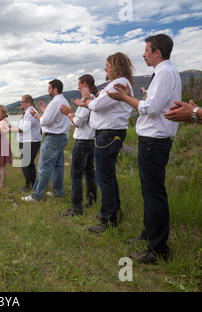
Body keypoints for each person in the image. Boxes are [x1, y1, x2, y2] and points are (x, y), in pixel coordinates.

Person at [107, 34, 182, 264]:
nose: (143, 54)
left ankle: (158, 249)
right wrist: (141, 97)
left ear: (157, 52)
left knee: (154, 194)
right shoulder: (164, 73)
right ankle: (149, 234)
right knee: (149, 192)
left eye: (146, 50)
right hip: (152, 140)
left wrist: (124, 97)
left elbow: (150, 108)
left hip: (154, 142)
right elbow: (156, 104)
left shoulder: (165, 73)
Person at [73, 52, 134, 233]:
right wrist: (90, 101)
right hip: (109, 134)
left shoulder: (117, 84)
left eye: (107, 64)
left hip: (108, 135)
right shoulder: (119, 83)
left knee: (104, 178)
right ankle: (114, 211)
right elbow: (98, 103)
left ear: (115, 65)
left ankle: (108, 220)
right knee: (108, 176)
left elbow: (97, 106)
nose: (105, 68)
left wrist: (88, 101)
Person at [21, 79, 70, 202]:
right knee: (57, 166)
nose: (47, 91)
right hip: (62, 136)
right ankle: (57, 191)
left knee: (44, 166)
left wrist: (35, 115)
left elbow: (44, 121)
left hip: (53, 137)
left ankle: (37, 195)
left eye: (49, 88)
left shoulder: (55, 102)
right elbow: (54, 119)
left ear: (55, 89)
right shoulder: (63, 101)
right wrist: (44, 111)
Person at [59, 74, 98, 216]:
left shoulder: (87, 100)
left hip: (82, 141)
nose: (78, 87)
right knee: (89, 173)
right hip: (91, 140)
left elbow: (78, 122)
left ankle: (76, 208)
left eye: (80, 84)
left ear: (85, 85)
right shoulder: (94, 99)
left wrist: (69, 114)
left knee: (76, 175)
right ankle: (91, 200)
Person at [11, 95, 42, 192]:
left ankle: (28, 186)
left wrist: (8, 130)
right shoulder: (26, 113)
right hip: (26, 141)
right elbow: (19, 126)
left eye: (22, 101)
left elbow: (22, 129)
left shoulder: (30, 113)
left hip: (30, 142)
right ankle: (32, 185)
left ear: (28, 102)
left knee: (26, 164)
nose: (20, 103)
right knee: (29, 164)